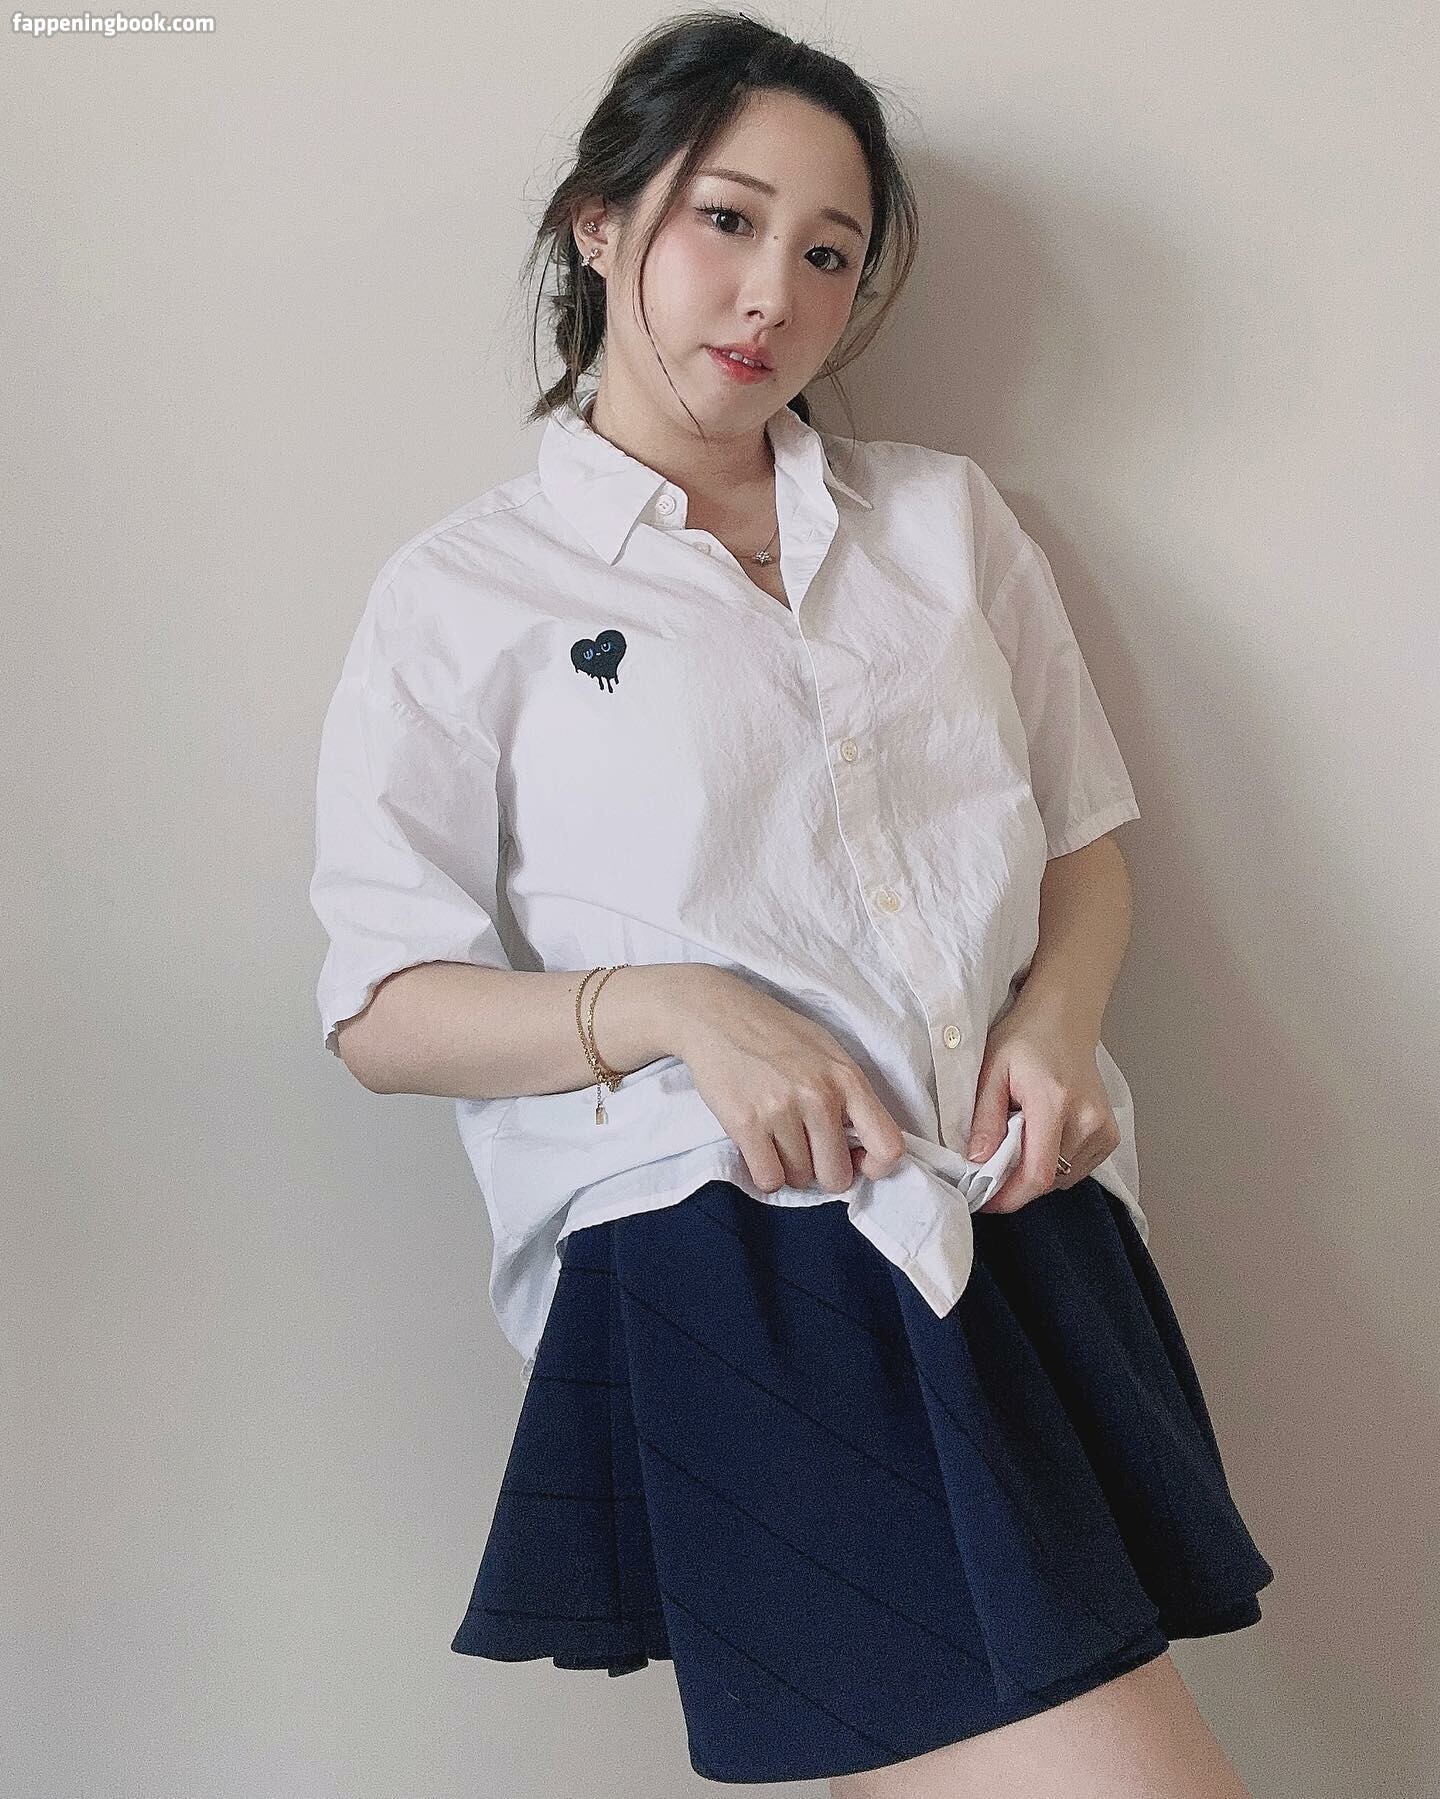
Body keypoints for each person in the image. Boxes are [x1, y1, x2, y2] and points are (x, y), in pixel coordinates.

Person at [308, 11, 1275, 1793]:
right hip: (737, 1253)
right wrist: (678, 1006)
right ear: (601, 220)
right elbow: (381, 1010)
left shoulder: (949, 524)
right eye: (727, 220)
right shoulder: (465, 596)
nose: (773, 295)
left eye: (830, 254)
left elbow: (1081, 844)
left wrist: (1058, 1028)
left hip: (1022, 1223)